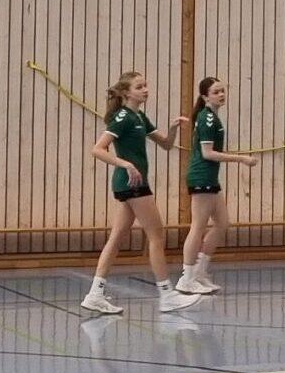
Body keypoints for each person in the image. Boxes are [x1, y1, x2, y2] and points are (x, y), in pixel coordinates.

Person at [81, 71, 201, 315]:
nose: (145, 89)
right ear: (127, 93)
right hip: (132, 183)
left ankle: (94, 294)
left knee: (116, 238)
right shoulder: (123, 118)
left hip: (130, 184)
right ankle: (167, 295)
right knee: (156, 235)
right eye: (139, 86)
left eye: (146, 85)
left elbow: (166, 145)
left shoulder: (139, 116)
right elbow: (98, 149)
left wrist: (172, 128)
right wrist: (125, 163)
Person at [177, 76, 259, 296]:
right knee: (198, 226)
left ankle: (200, 272)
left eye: (223, 91)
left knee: (222, 223)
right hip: (201, 177)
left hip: (210, 178)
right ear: (205, 97)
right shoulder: (207, 118)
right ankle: (187, 278)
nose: (221, 95)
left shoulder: (212, 117)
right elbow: (207, 153)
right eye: (216, 92)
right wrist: (241, 159)